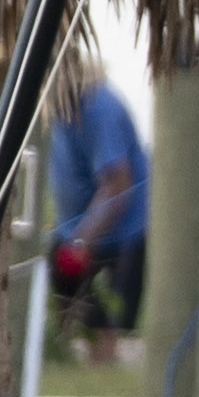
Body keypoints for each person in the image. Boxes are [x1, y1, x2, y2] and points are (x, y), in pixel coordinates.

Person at [46, 56, 149, 360]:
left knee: (103, 323)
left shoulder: (97, 109)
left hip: (113, 237)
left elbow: (117, 185)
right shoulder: (60, 107)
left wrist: (80, 242)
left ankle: (101, 365)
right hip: (71, 231)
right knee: (63, 317)